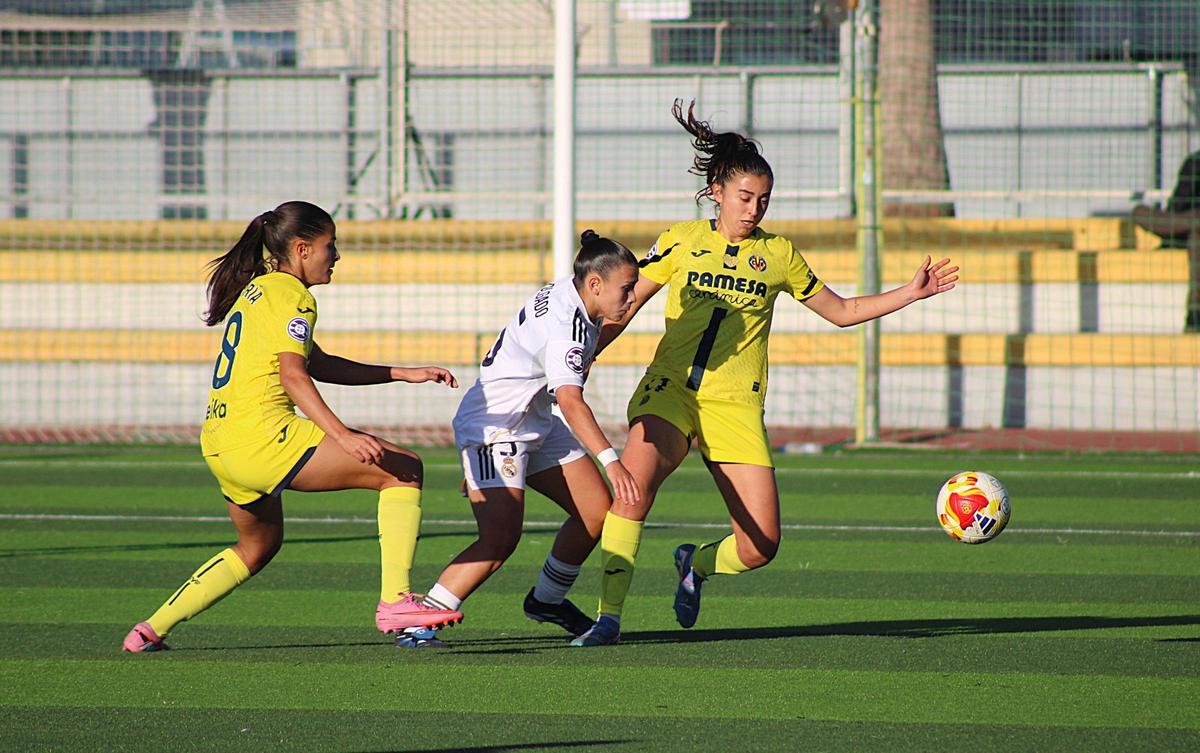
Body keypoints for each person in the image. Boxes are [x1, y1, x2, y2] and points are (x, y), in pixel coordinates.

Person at [571, 100, 959, 647]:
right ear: (717, 191)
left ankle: (695, 565)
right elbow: (623, 308)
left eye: (764, 200)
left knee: (760, 547)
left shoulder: (779, 254)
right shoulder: (681, 239)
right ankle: (607, 618)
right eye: (745, 197)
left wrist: (910, 293)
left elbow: (841, 312)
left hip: (736, 406)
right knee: (631, 492)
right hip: (671, 393)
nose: (754, 209)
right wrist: (577, 363)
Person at [122, 200, 462, 652]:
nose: (336, 256)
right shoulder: (294, 295)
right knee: (402, 467)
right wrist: (343, 435)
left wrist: (401, 372)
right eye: (330, 246)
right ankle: (396, 602)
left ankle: (148, 630)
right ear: (301, 249)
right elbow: (293, 375)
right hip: (263, 437)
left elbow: (316, 362)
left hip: (221, 444)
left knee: (255, 548)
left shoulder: (259, 291)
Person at [414, 230, 642, 647]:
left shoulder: (571, 294)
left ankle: (546, 600)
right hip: (495, 427)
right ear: (595, 284)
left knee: (595, 511)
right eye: (627, 290)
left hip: (532, 420)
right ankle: (421, 617)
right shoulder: (568, 326)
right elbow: (572, 403)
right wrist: (613, 461)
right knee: (500, 539)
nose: (632, 299)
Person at [1132, 151, 1200, 332]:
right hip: (1181, 226)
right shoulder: (1195, 162)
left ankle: (1195, 316)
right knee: (1139, 211)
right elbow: (1176, 206)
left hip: (1193, 236)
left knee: (1197, 239)